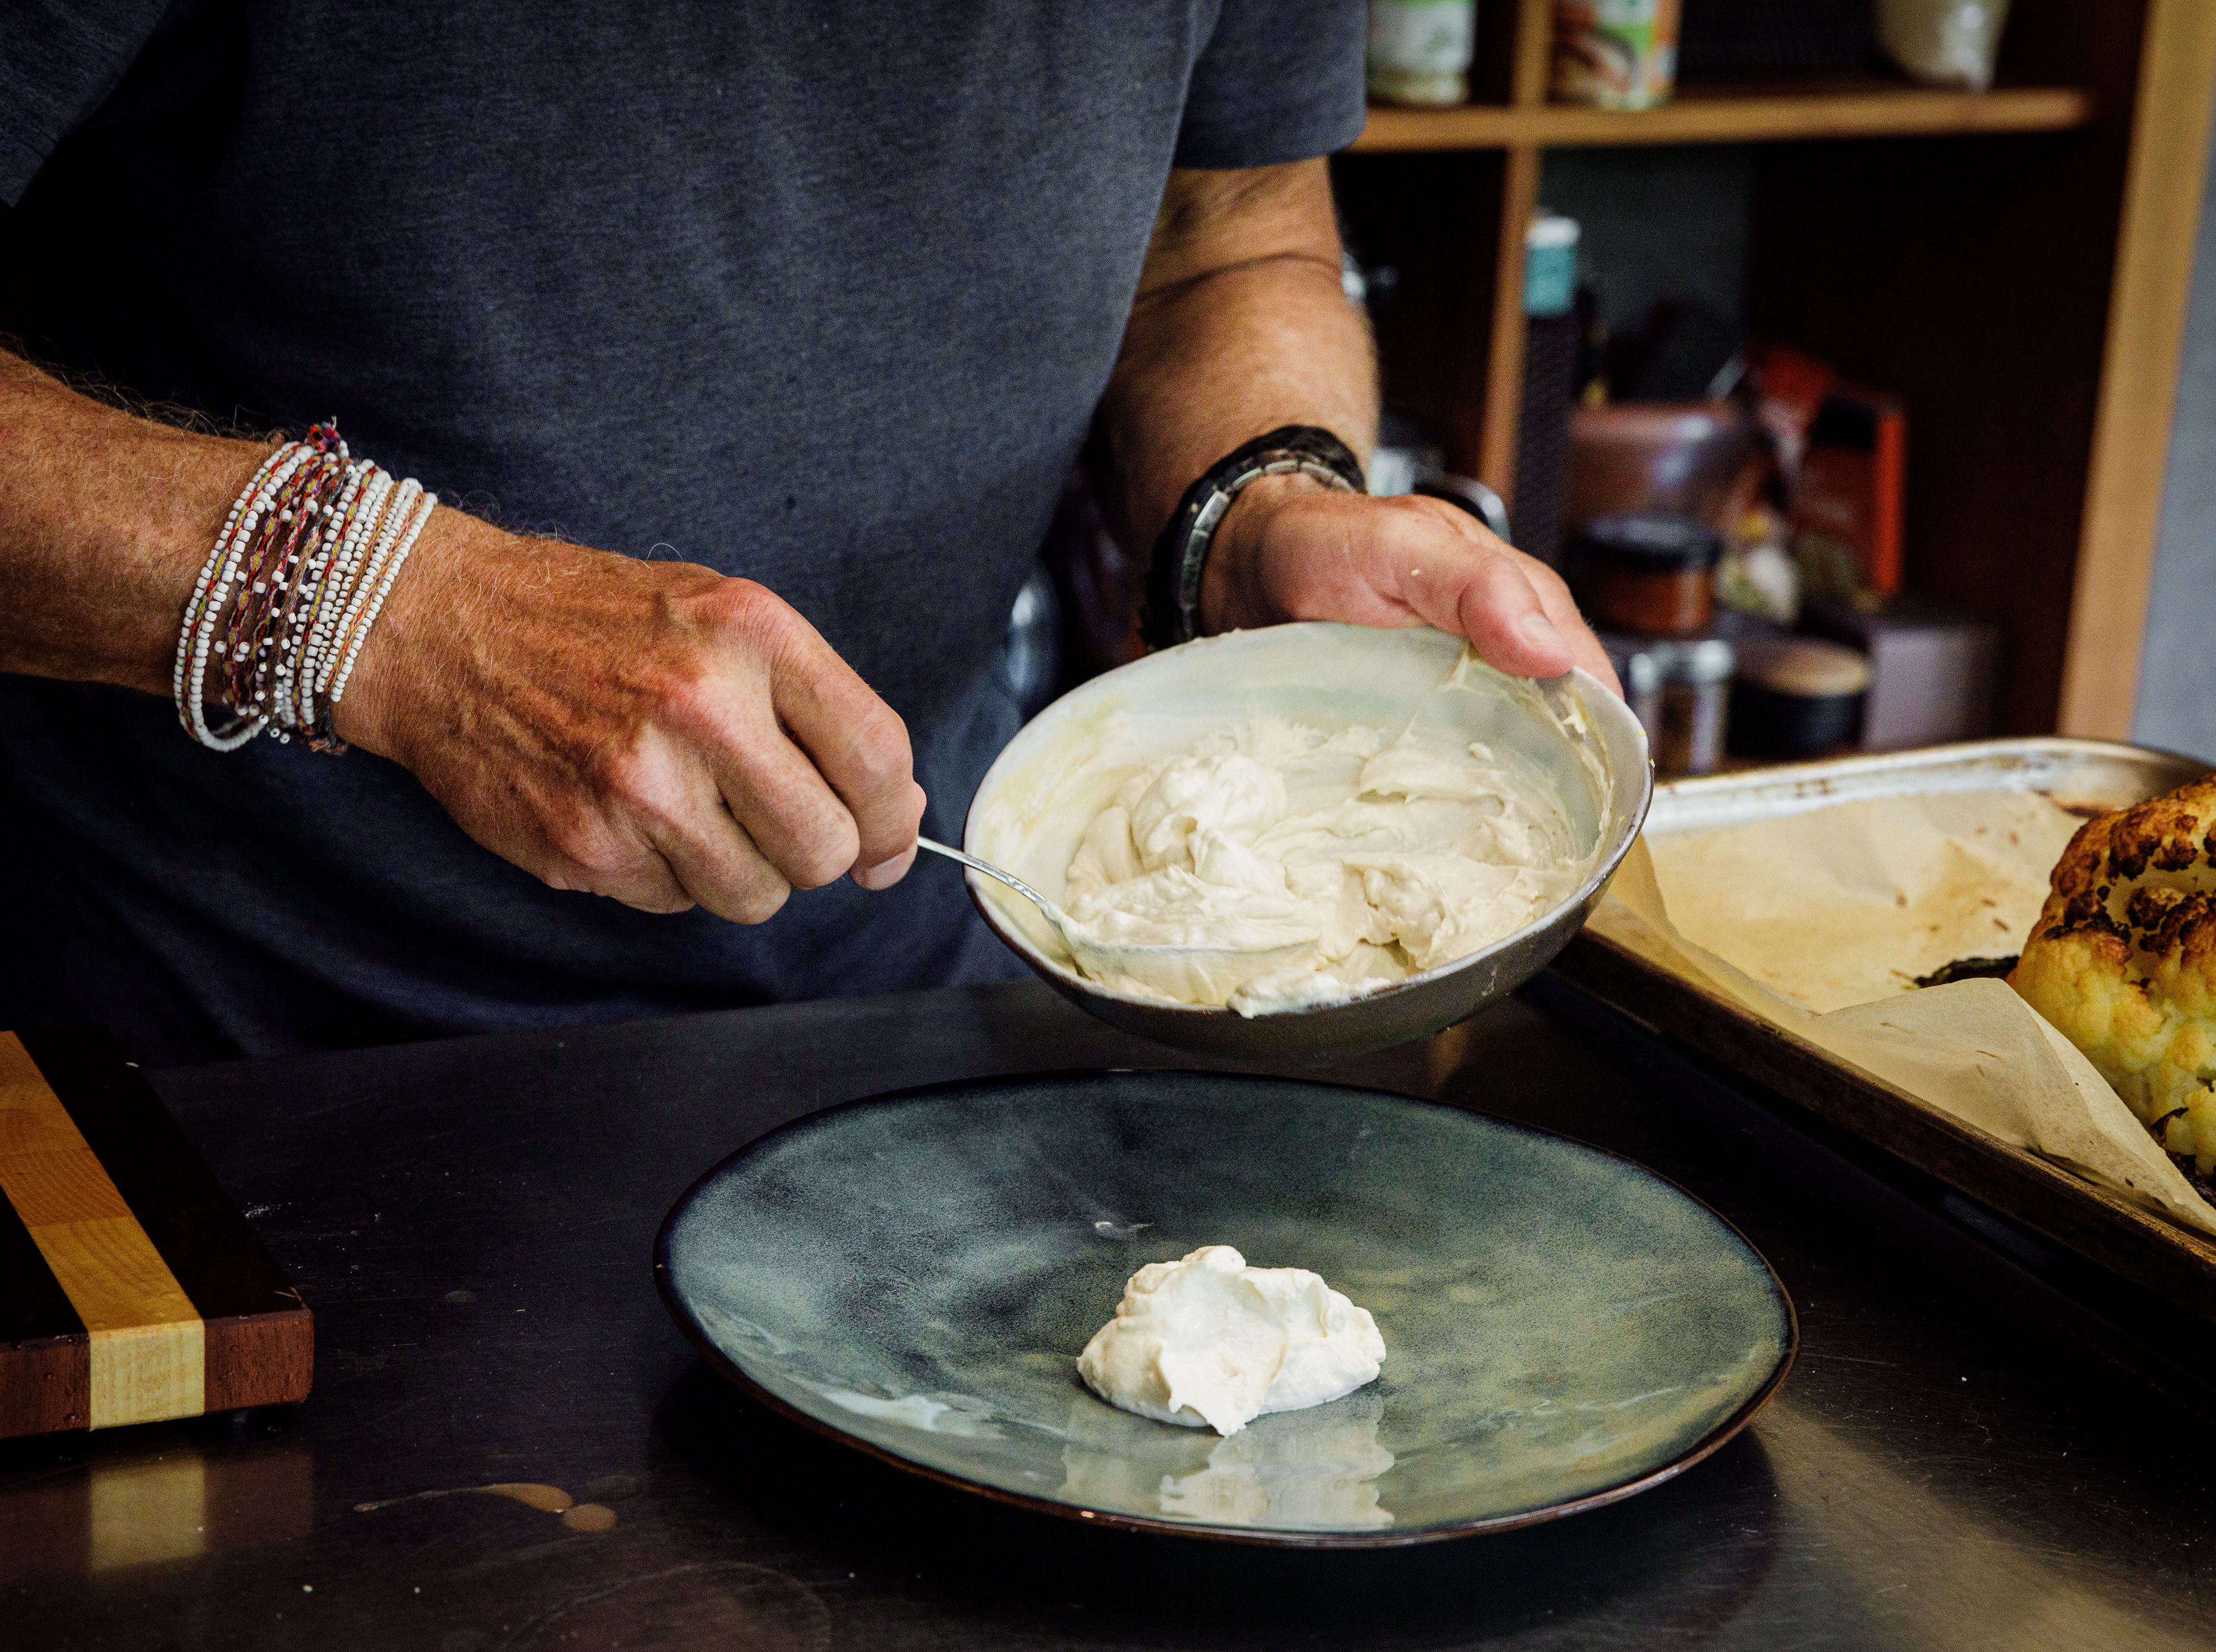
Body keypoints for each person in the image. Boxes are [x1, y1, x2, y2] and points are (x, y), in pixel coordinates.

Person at [0, 1, 1612, 1064]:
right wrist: (392, 615)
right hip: (205, 1066)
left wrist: (1254, 502)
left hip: (918, 1001)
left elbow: (1229, 234)